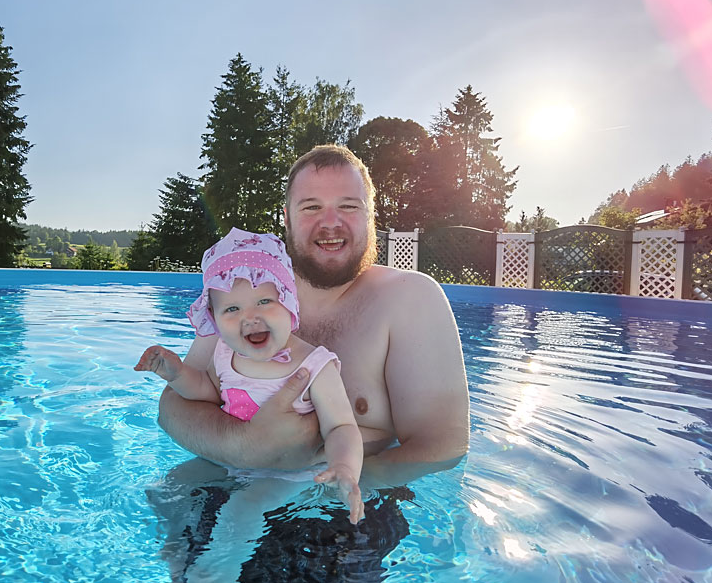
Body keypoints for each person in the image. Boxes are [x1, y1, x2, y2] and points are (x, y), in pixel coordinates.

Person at [157, 144, 470, 481]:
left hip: (339, 503)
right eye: (311, 207)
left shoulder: (410, 299)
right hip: (224, 474)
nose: (330, 223)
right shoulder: (245, 289)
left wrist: (308, 486)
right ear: (287, 217)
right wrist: (242, 445)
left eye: (348, 206)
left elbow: (441, 447)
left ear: (370, 216)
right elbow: (173, 407)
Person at [135, 227, 364, 523]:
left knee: (241, 513)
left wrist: (344, 468)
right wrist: (175, 373)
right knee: (167, 489)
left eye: (264, 301)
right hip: (228, 462)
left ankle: (213, 570)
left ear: (289, 302)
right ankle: (177, 556)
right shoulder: (224, 354)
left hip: (287, 474)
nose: (250, 317)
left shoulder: (315, 365)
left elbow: (342, 427)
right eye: (232, 308)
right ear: (215, 320)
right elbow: (206, 390)